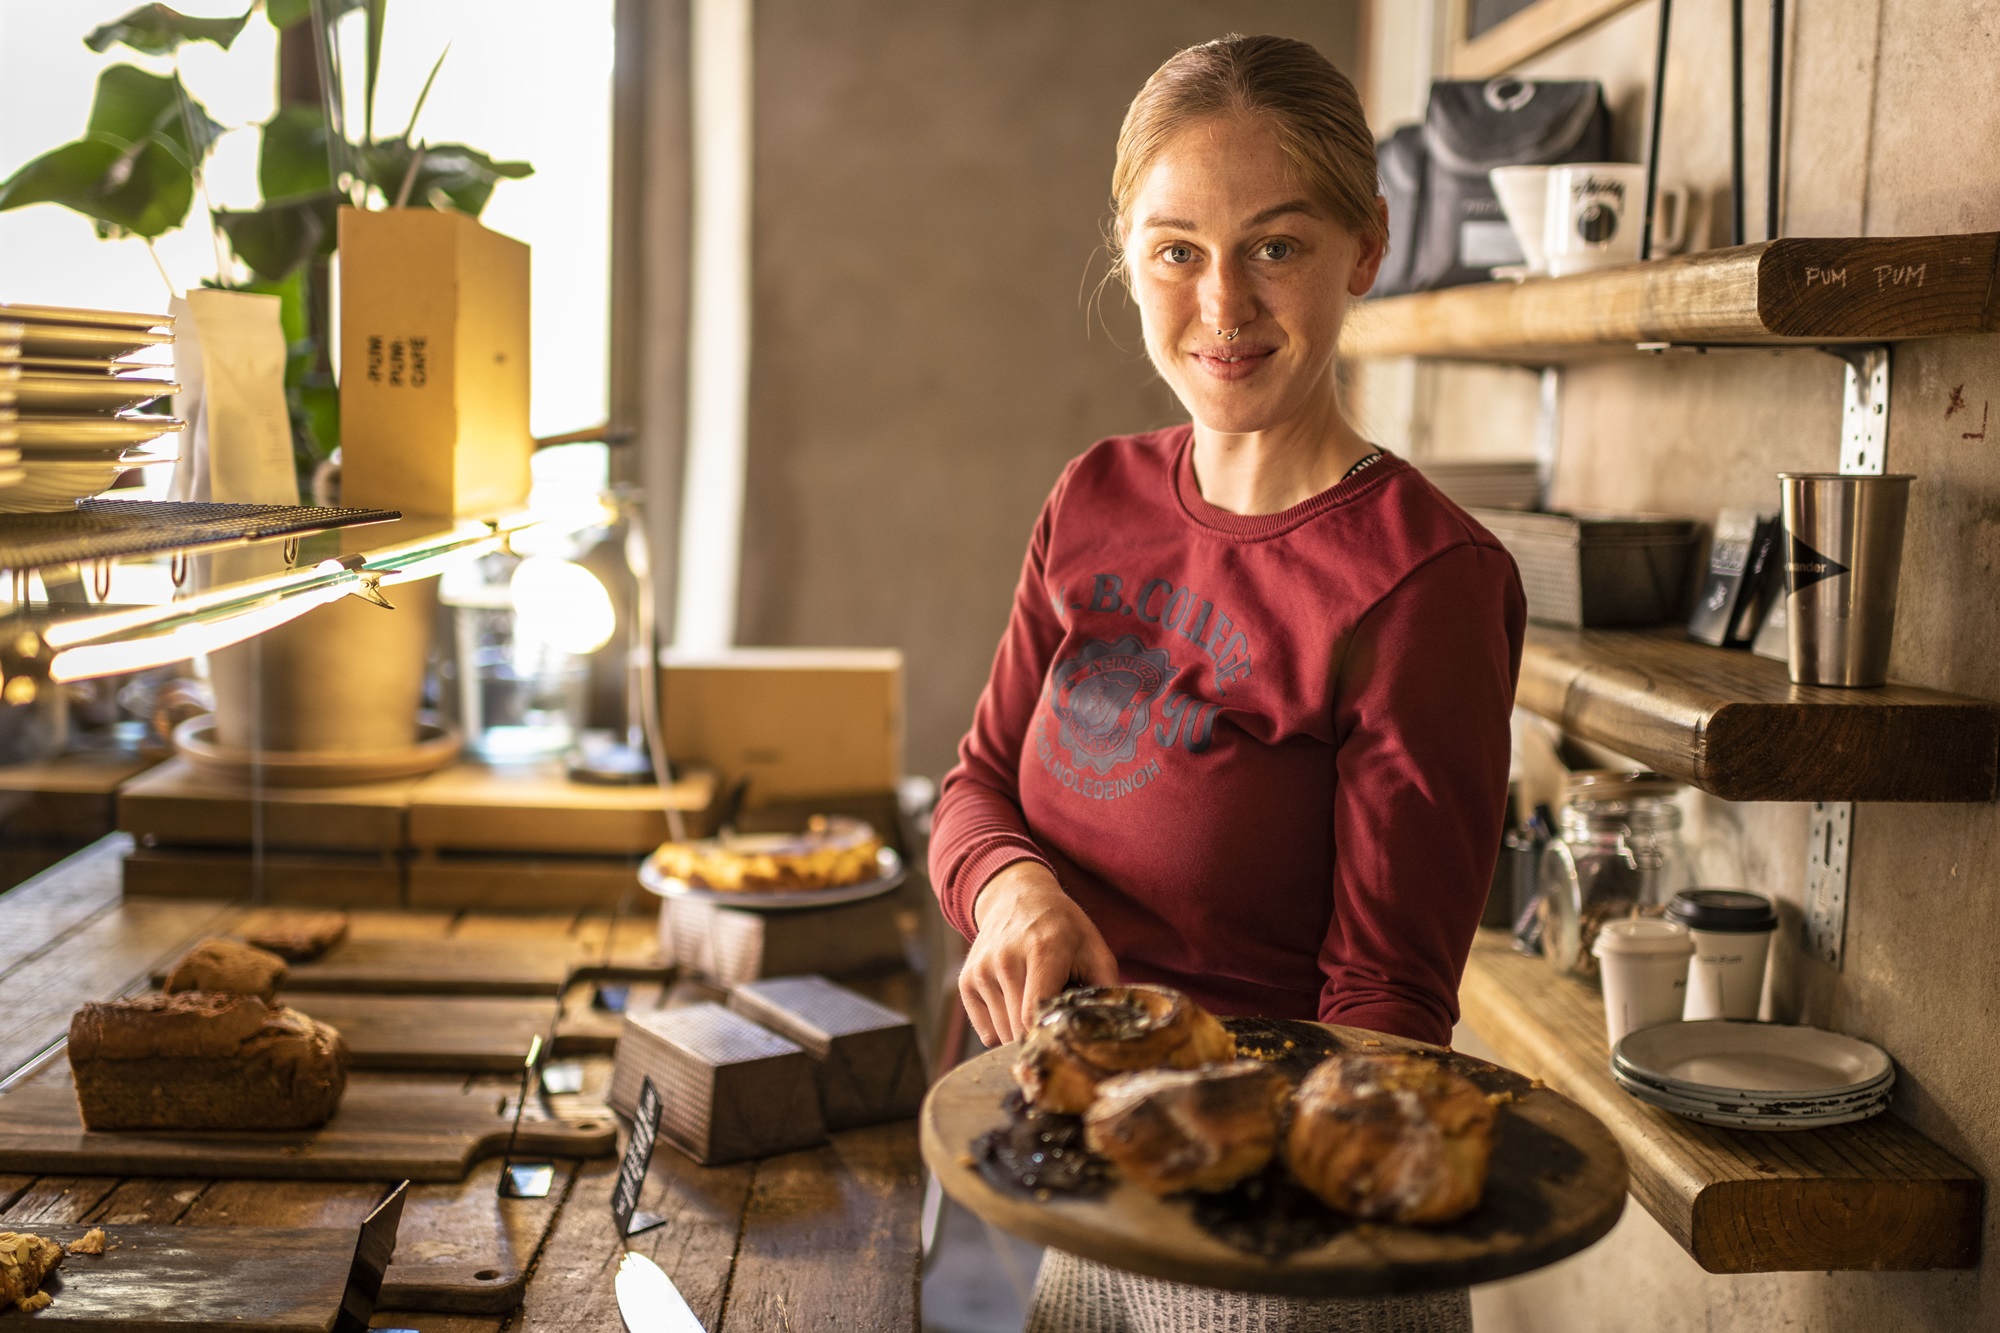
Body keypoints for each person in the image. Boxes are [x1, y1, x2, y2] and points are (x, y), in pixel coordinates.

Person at [927, 33, 1526, 1333]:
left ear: (1364, 249)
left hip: (1279, 1244)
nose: (1223, 305)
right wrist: (1017, 894)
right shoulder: (1094, 497)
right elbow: (975, 783)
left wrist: (1258, 1256)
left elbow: (1386, 1014)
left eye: (1277, 245)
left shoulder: (1424, 579)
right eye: (1177, 249)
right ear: (1129, 255)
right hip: (1086, 1179)